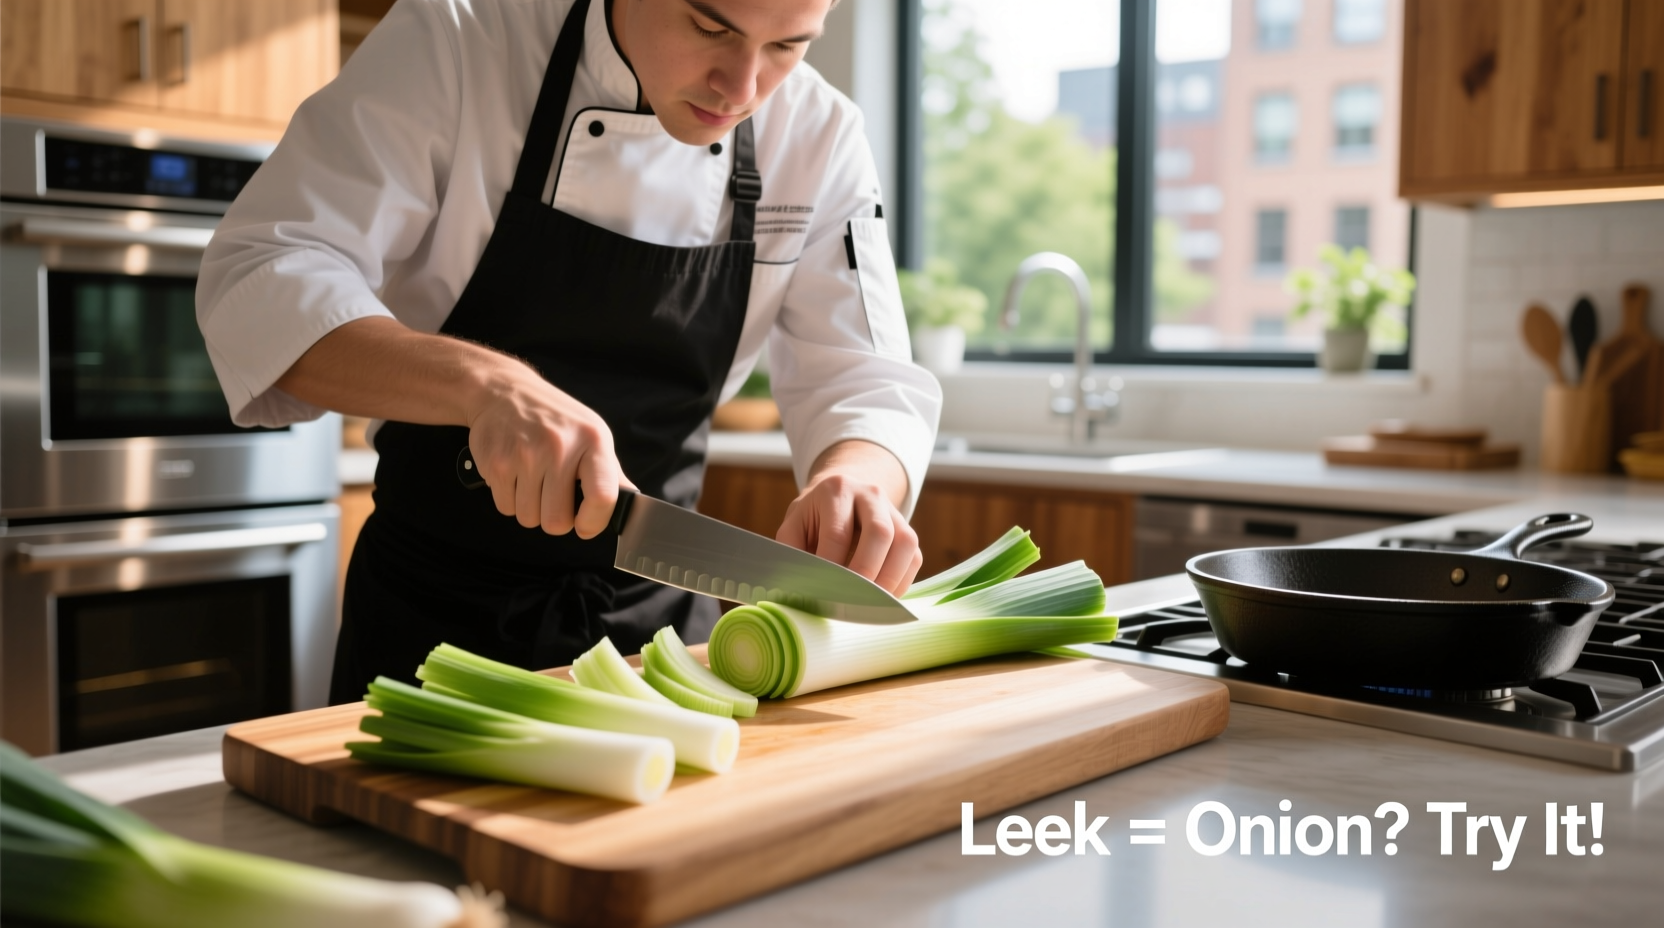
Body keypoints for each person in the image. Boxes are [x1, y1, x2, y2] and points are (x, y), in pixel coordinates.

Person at [196, 0, 942, 704]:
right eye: (709, 27)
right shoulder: (460, 38)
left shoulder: (819, 134)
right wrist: (485, 385)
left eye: (786, 44)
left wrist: (857, 480)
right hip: (432, 637)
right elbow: (260, 279)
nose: (742, 87)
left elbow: (867, 378)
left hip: (662, 643)